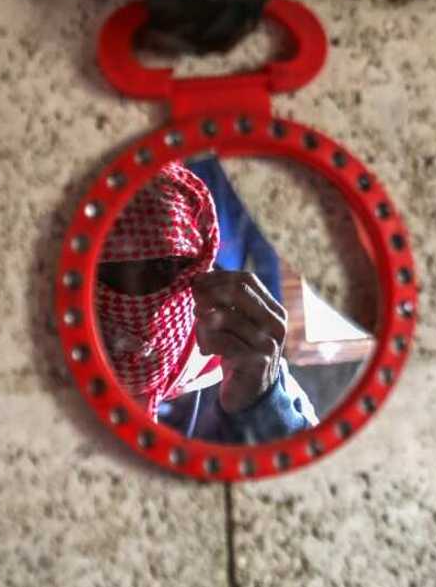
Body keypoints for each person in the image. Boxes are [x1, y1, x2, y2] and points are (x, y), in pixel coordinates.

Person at [94, 161, 318, 444]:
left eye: (165, 267)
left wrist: (261, 405)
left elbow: (311, 474)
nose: (140, 297)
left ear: (199, 265)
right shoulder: (50, 357)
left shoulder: (240, 356)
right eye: (112, 272)